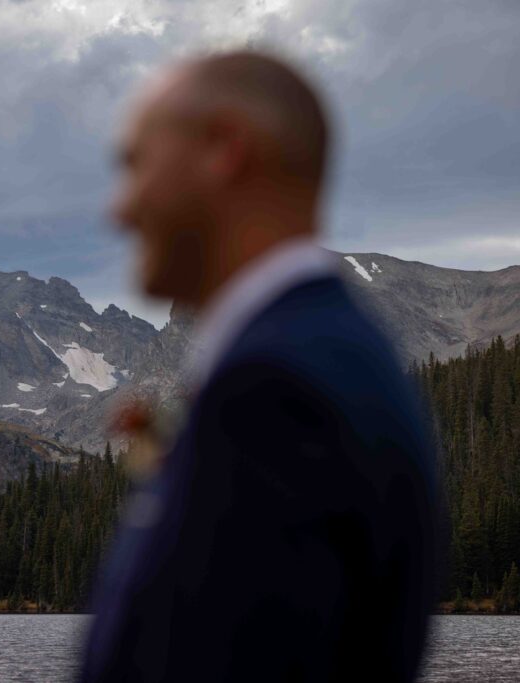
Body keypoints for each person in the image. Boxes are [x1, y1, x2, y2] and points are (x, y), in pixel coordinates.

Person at [81, 51, 439, 681]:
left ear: (223, 148)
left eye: (136, 163)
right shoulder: (328, 349)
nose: (119, 209)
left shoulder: (275, 390)